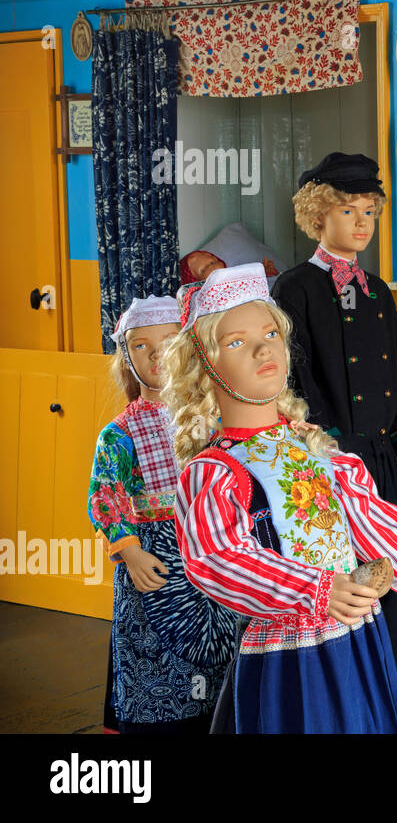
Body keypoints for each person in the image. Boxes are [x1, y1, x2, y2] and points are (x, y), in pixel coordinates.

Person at [163, 264, 397, 733]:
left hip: (355, 638)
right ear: (204, 367)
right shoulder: (214, 472)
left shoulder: (315, 447)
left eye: (271, 332)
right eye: (236, 342)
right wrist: (316, 588)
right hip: (288, 655)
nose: (263, 347)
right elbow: (218, 557)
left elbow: (367, 514)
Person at [273, 153, 397, 669]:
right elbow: (294, 373)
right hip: (326, 461)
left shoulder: (377, 290)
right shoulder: (295, 287)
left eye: (370, 210)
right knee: (343, 571)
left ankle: (384, 681)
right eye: (349, 211)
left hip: (380, 458)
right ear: (318, 216)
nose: (363, 222)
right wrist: (325, 443)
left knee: (385, 566)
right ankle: (341, 684)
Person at [87, 296, 240, 733]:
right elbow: (106, 497)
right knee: (156, 652)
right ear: (127, 359)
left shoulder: (213, 420)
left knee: (218, 653)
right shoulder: (118, 433)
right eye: (140, 346)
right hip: (154, 561)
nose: (156, 355)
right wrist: (130, 552)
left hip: (213, 555)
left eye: (168, 341)